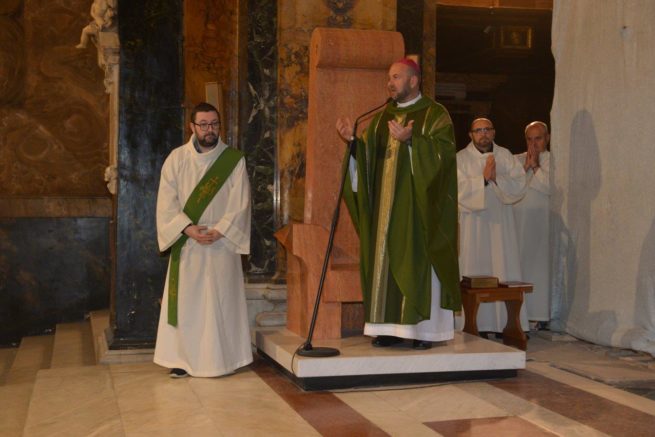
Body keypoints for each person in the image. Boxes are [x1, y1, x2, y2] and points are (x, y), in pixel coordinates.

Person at [336, 58, 460, 350]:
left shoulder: (435, 114)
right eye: (389, 78)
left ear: (414, 80)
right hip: (385, 212)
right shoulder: (381, 119)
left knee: (417, 262)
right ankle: (388, 328)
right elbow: (368, 161)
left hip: (418, 212)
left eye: (396, 77)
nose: (390, 83)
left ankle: (424, 331)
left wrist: (413, 141)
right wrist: (353, 143)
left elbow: (444, 158)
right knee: (385, 263)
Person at [154, 102, 252, 378]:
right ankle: (182, 360)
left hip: (222, 243)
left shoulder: (233, 160)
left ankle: (224, 359)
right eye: (204, 124)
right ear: (192, 127)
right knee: (189, 305)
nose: (210, 130)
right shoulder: (176, 159)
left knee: (221, 303)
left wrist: (221, 229)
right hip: (189, 243)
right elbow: (166, 202)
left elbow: (241, 202)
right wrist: (187, 228)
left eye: (214, 124)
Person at [457, 118, 529, 333]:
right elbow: (455, 189)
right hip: (473, 225)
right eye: (478, 130)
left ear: (494, 132)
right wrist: (482, 180)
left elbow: (519, 185)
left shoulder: (505, 156)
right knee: (473, 269)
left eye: (487, 129)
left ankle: (504, 324)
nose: (483, 134)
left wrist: (497, 178)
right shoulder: (460, 158)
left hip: (501, 224)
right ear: (471, 135)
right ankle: (474, 324)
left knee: (503, 267)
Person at [514, 121, 551, 327]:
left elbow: (551, 188)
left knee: (538, 270)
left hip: (541, 227)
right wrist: (525, 168)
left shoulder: (554, 160)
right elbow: (507, 187)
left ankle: (539, 315)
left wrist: (536, 166)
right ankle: (518, 315)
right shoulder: (516, 160)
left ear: (547, 138)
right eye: (529, 139)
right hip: (517, 226)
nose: (533, 144)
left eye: (538, 138)